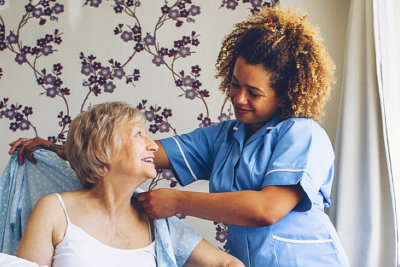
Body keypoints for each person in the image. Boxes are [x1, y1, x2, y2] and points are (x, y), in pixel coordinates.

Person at [9, 5, 349, 267]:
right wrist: (58, 149)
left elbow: (266, 209)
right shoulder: (224, 138)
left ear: (284, 93)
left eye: (253, 92)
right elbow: (129, 151)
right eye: (234, 84)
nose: (238, 98)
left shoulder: (303, 134)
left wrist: (177, 202)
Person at [12, 102, 243, 267]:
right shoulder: (54, 210)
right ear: (102, 149)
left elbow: (227, 264)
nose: (153, 145)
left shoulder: (156, 222)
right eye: (138, 134)